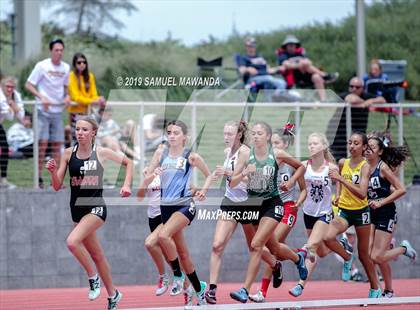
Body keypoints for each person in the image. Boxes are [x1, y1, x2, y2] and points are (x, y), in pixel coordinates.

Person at [45, 116, 132, 310]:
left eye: (85, 130)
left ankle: (93, 278)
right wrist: (52, 172)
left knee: (72, 242)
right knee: (97, 255)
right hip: (76, 210)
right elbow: (57, 186)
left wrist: (126, 185)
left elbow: (129, 163)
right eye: (77, 129)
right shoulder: (68, 153)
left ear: (93, 133)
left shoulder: (101, 152)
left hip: (96, 207)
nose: (80, 133)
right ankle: (114, 294)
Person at [229, 121, 308, 303]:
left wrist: (290, 182)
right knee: (274, 248)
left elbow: (301, 166)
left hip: (274, 204)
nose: (256, 136)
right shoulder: (246, 156)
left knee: (256, 245)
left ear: (267, 137)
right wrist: (243, 174)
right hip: (254, 205)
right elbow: (232, 183)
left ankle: (244, 289)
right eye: (254, 133)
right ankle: (298, 258)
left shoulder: (277, 154)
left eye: (259, 133)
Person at [205, 120, 281, 304]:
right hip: (230, 204)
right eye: (224, 134)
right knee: (217, 245)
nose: (226, 138)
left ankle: (274, 264)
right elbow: (221, 174)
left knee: (254, 247)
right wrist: (206, 187)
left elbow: (253, 182)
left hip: (249, 204)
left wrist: (233, 174)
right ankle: (212, 289)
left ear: (239, 135)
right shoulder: (227, 152)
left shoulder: (247, 152)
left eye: (229, 134)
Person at [143, 120, 212, 306]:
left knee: (164, 236)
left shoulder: (191, 156)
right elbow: (146, 180)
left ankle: (178, 276)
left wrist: (203, 190)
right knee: (183, 254)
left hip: (184, 206)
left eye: (176, 133)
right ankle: (199, 288)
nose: (172, 136)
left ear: (185, 137)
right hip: (165, 208)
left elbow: (210, 175)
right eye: (169, 132)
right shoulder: (160, 153)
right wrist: (153, 173)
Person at [325, 132, 381, 298]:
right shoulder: (343, 162)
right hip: (345, 211)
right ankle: (347, 258)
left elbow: (362, 193)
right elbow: (339, 181)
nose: (351, 146)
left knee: (364, 255)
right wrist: (338, 195)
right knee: (327, 237)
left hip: (361, 213)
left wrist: (341, 181)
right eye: (350, 142)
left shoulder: (365, 166)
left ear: (364, 147)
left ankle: (375, 288)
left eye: (356, 143)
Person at [287, 133, 338, 297]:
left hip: (324, 214)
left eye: (315, 144)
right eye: (309, 144)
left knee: (310, 247)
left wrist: (339, 198)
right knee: (321, 252)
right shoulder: (303, 166)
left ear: (323, 146)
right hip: (308, 213)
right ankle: (341, 244)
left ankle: (300, 285)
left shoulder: (331, 168)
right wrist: (297, 202)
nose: (311, 147)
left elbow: (342, 185)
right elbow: (300, 188)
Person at [366, 135, 417, 297]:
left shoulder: (383, 168)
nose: (368, 149)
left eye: (372, 147)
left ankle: (403, 249)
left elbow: (401, 189)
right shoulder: (361, 167)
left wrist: (381, 202)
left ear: (380, 151)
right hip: (369, 214)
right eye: (367, 146)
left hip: (385, 214)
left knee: (376, 256)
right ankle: (384, 290)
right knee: (369, 256)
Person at [25, 38, 71, 188]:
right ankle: (38, 178)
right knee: (42, 145)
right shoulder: (42, 65)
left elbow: (66, 88)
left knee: (57, 146)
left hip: (57, 112)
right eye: (56, 50)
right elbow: (29, 84)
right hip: (43, 111)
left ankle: (56, 180)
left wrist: (67, 96)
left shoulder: (65, 67)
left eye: (61, 50)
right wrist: (41, 97)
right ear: (51, 51)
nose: (59, 53)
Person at [329, 77, 386, 161]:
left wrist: (370, 101)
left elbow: (382, 100)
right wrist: (364, 103)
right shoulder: (345, 95)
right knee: (340, 163)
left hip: (359, 138)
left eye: (357, 87)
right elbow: (351, 99)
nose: (354, 89)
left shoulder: (366, 96)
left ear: (363, 88)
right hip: (341, 138)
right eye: (351, 86)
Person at [276, 34, 338, 101]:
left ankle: (323, 100)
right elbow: (286, 65)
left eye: (293, 44)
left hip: (305, 74)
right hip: (293, 76)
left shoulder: (300, 53)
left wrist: (301, 64)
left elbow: (309, 62)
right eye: (289, 44)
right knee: (304, 64)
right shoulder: (283, 54)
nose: (292, 46)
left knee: (316, 77)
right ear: (286, 46)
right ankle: (324, 75)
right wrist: (300, 64)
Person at [67, 52, 106, 144]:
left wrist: (98, 99)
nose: (82, 64)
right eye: (79, 62)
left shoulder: (90, 76)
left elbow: (94, 94)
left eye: (84, 62)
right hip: (76, 114)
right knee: (76, 141)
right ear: (74, 64)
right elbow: (76, 98)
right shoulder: (71, 76)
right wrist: (93, 100)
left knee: (89, 141)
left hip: (88, 112)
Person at [0, 76, 24, 189]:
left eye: (12, 87)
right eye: (7, 86)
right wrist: (13, 106)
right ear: (2, 86)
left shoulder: (15, 95)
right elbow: (10, 117)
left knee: (5, 148)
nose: (10, 89)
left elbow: (21, 115)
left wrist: (13, 105)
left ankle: (3, 179)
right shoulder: (0, 96)